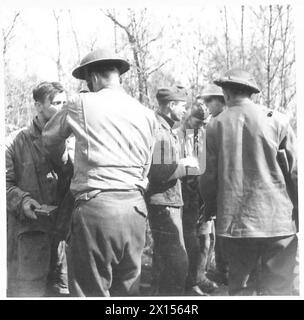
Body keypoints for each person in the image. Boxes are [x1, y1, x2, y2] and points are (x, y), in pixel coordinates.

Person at [42, 48, 157, 297]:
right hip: (135, 211)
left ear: (92, 78)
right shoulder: (147, 114)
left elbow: (49, 139)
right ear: (118, 76)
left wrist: (66, 162)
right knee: (127, 292)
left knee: (90, 290)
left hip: (96, 210)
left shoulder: (80, 103)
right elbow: (147, 166)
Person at [200, 68, 298, 295]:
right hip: (278, 223)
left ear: (225, 93)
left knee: (242, 289)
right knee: (279, 289)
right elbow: (294, 172)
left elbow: (208, 177)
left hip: (236, 225)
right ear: (251, 93)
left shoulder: (214, 125)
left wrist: (210, 211)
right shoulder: (277, 120)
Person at [6, 81, 71, 297]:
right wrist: (23, 201)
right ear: (38, 106)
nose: (62, 108)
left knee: (63, 292)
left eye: (65, 103)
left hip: (64, 240)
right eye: (56, 103)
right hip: (31, 238)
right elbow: (4, 184)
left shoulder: (75, 141)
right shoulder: (15, 142)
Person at [147, 86, 200, 296]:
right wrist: (186, 165)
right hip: (163, 203)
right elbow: (159, 173)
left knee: (164, 262)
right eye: (182, 106)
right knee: (177, 264)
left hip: (169, 200)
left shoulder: (167, 128)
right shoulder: (160, 131)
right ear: (171, 105)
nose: (185, 111)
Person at [176, 101, 218, 295]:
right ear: (188, 117)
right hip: (183, 196)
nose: (201, 125)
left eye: (204, 122)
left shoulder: (203, 136)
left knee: (206, 240)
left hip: (202, 197)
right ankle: (188, 280)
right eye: (198, 120)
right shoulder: (176, 135)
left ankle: (199, 276)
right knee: (188, 241)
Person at [197, 85, 229, 286]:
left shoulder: (217, 124)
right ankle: (223, 270)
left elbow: (208, 167)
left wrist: (208, 202)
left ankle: (227, 271)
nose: (206, 105)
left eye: (209, 101)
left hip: (222, 189)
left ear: (221, 99)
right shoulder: (213, 122)